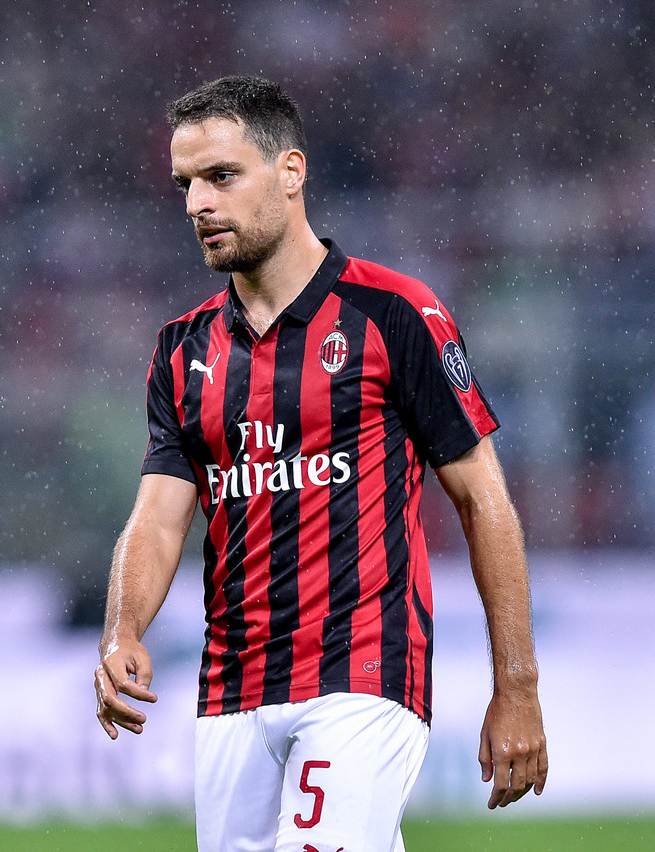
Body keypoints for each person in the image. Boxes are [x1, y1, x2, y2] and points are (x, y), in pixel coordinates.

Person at [93, 75, 548, 852]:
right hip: (231, 689)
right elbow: (161, 517)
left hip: (361, 675)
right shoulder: (182, 349)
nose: (198, 203)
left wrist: (518, 687)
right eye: (186, 184)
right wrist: (121, 631)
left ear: (291, 172)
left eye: (221, 176)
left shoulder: (395, 313)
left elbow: (484, 502)